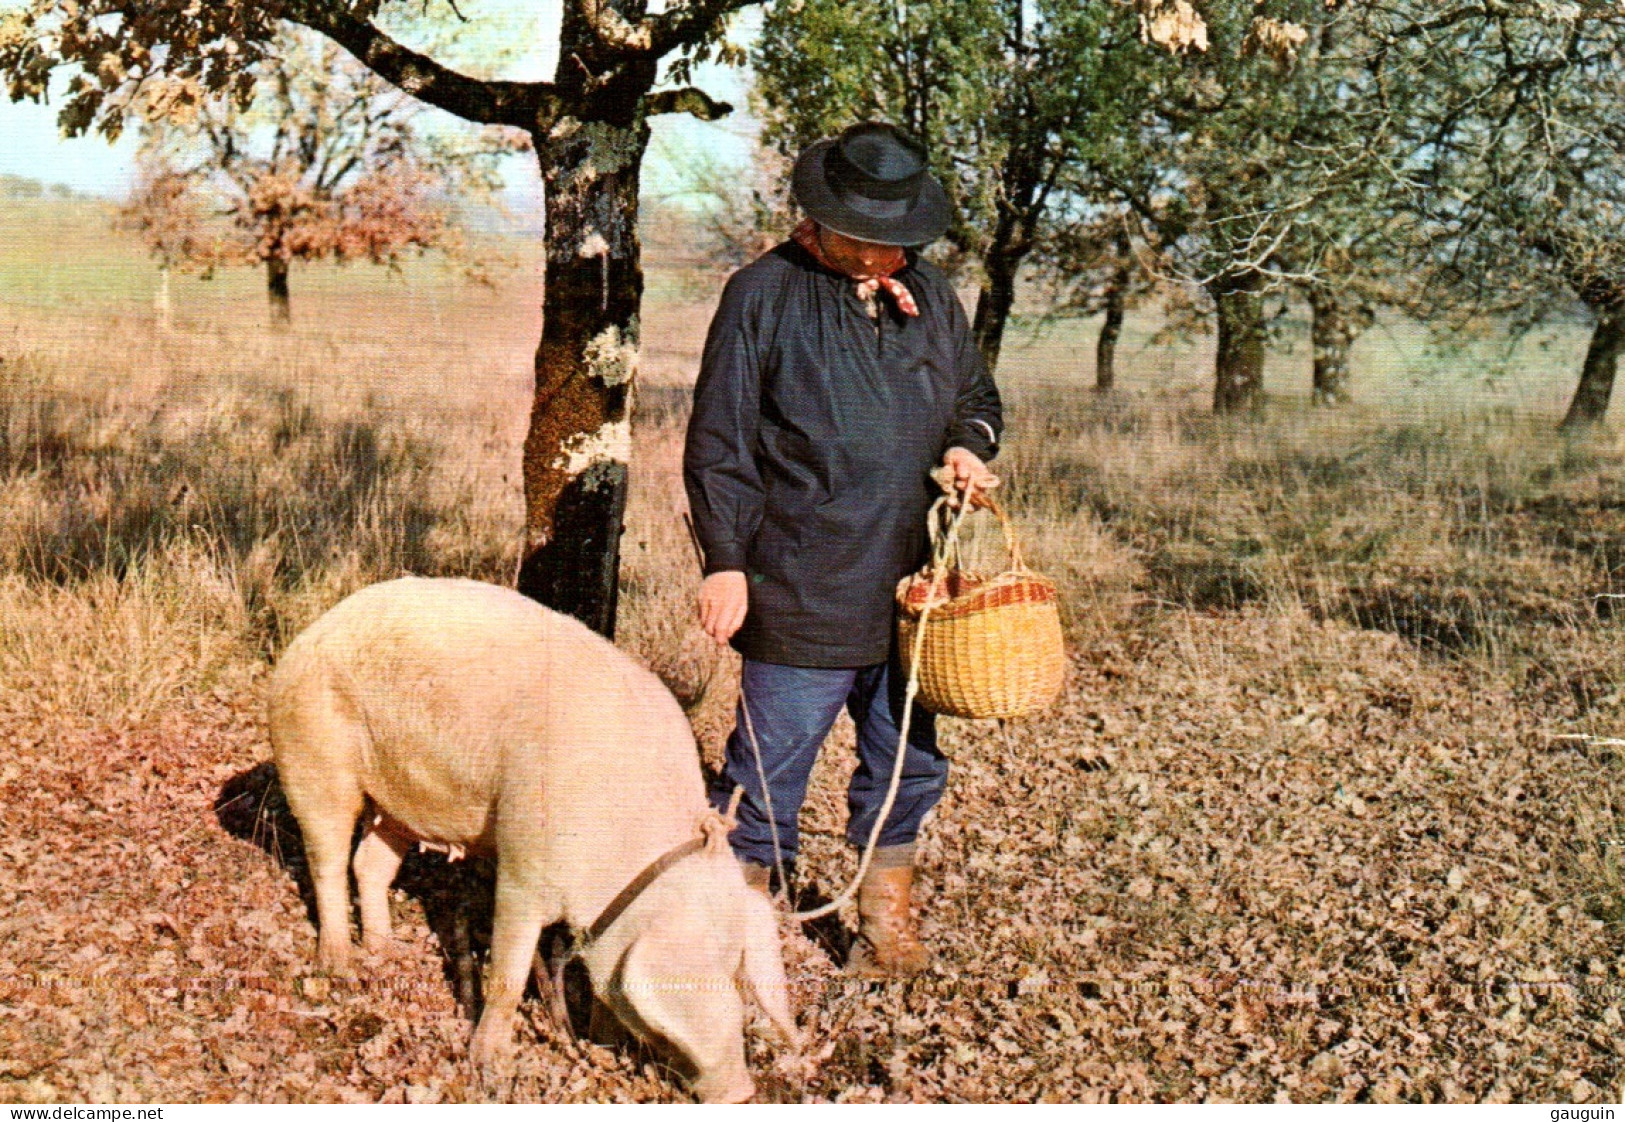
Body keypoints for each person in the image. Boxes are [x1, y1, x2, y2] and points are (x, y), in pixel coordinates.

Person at [682, 122, 1002, 977]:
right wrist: (723, 560)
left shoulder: (931, 296)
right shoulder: (761, 294)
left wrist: (971, 446)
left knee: (907, 764)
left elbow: (974, 397)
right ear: (818, 221)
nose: (877, 260)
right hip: (797, 583)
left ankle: (882, 927)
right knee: (763, 773)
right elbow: (719, 443)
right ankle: (737, 948)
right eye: (862, 243)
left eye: (894, 246)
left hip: (911, 591)